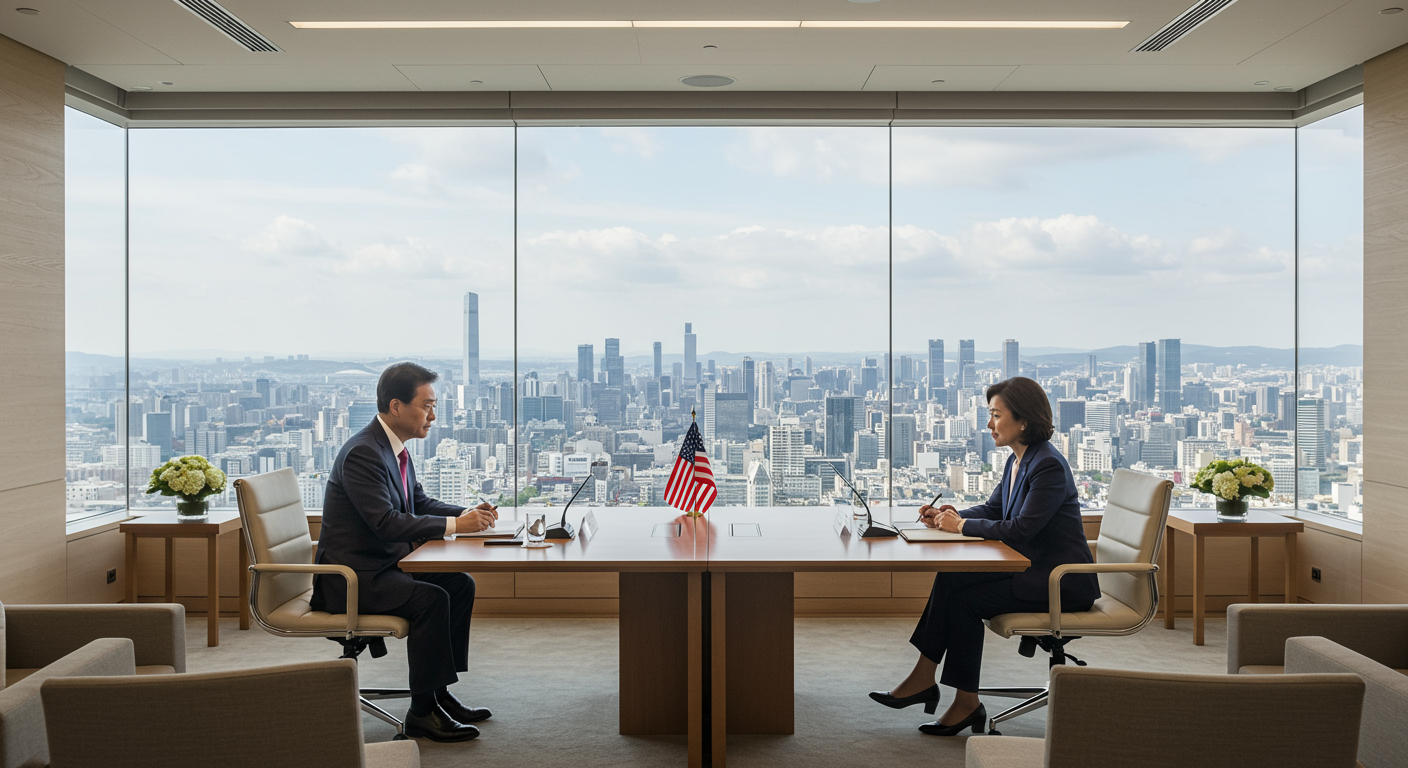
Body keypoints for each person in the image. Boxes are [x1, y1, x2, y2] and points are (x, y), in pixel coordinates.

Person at [868, 376, 1099, 736]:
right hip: (1030, 570)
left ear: (1023, 420)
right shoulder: (1019, 461)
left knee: (965, 601)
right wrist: (951, 515)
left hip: (1059, 582)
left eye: (995, 415)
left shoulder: (1048, 466)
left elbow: (1021, 529)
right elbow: (994, 510)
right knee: (951, 578)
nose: (988, 424)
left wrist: (959, 527)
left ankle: (953, 697)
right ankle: (935, 684)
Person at [312, 362, 500, 742]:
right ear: (396, 406)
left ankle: (438, 693)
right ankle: (421, 713)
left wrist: (465, 514)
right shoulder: (364, 453)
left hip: (383, 568)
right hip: (353, 580)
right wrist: (455, 527)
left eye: (435, 406)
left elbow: (416, 501)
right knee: (431, 600)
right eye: (426, 405)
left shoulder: (392, 448)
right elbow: (387, 522)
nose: (433, 416)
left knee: (458, 584)